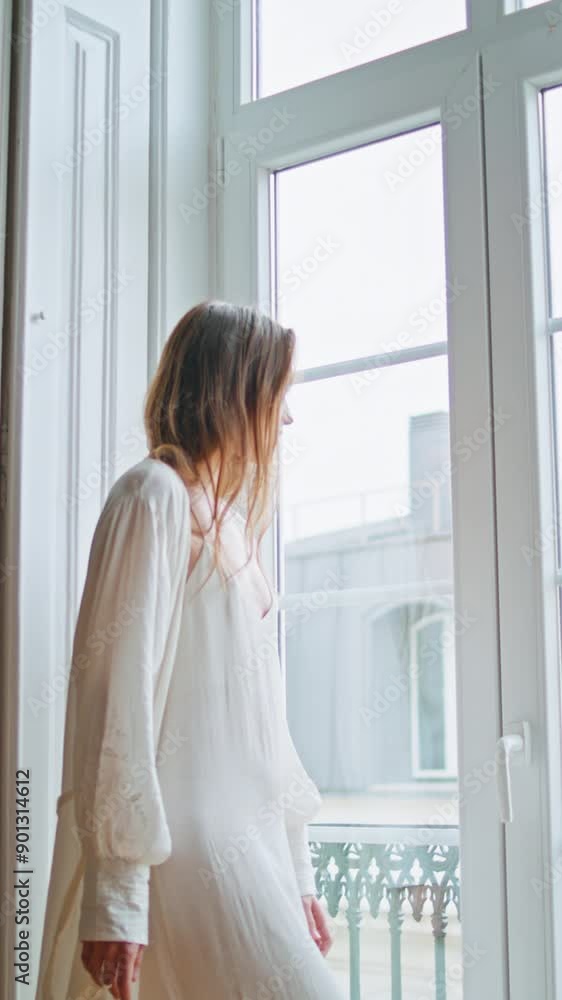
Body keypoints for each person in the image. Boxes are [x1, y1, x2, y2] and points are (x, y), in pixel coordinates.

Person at [35, 301, 345, 999]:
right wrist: (117, 895)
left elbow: (264, 731)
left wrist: (296, 874)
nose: (287, 419)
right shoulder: (152, 497)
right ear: (233, 391)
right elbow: (116, 696)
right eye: (277, 395)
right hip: (187, 855)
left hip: (250, 852)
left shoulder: (231, 529)